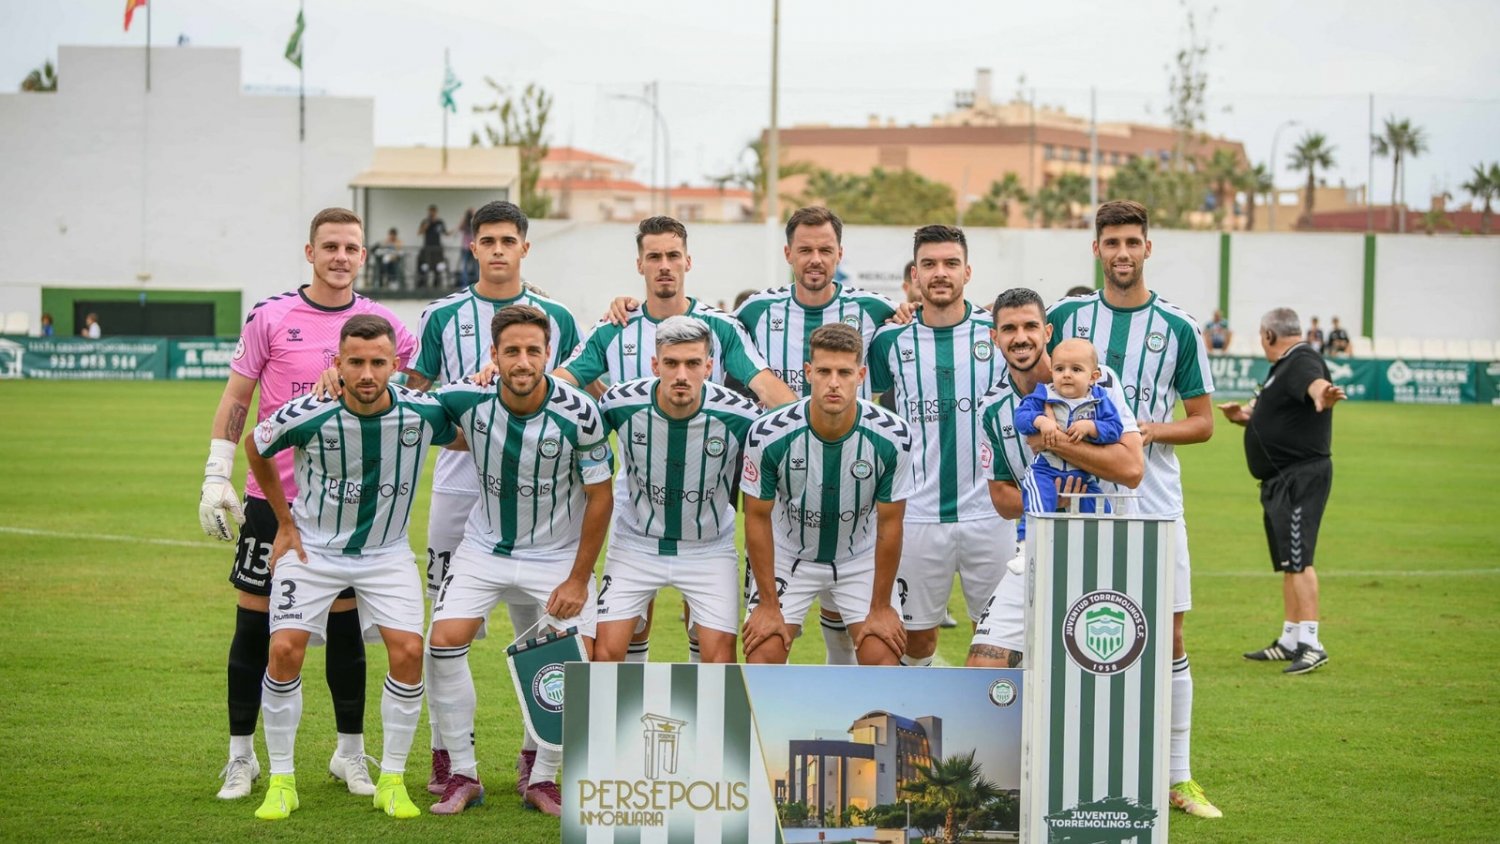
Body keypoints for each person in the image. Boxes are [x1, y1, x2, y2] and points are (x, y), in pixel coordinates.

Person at [197, 207, 418, 801]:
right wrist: (216, 472)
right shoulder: (271, 316)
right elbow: (237, 397)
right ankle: (241, 757)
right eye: (330, 246)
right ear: (309, 251)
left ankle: (350, 753)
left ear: (364, 255)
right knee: (256, 626)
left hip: (349, 508)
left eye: (351, 247)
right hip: (275, 502)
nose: (340, 256)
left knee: (345, 633)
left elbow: (421, 391)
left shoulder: (383, 325)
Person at [1047, 199, 1220, 819]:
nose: (1122, 253)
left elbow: (1202, 424)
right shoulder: (1066, 315)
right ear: (1096, 249)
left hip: (1154, 497)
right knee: (1066, 623)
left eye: (1132, 242)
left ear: (1148, 248)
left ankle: (1179, 776)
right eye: (1111, 242)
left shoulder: (1178, 326)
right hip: (1077, 491)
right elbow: (1021, 365)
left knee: (1167, 629)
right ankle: (1060, 765)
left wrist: (1148, 431)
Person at [243, 315, 454, 821]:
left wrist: (488, 372)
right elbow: (256, 444)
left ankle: (392, 781)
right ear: (335, 363)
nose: (365, 373)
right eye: (354, 362)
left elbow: (473, 424)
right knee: (284, 649)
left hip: (386, 554)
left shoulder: (423, 412)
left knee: (408, 650)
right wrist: (284, 522)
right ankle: (281, 781)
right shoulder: (311, 411)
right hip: (313, 551)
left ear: (395, 365)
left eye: (377, 362)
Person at [560, 216, 796, 664]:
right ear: (640, 264)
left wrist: (813, 426)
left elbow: (767, 389)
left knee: (707, 638)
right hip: (636, 505)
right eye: (654, 257)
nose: (664, 266)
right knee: (627, 634)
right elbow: (561, 387)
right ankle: (629, 725)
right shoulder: (614, 326)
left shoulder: (721, 327)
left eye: (672, 256)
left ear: (688, 261)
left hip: (707, 498)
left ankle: (694, 725)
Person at [404, 200, 579, 798]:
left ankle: (539, 757)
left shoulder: (556, 315)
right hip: (461, 483)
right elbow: (414, 391)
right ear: (472, 247)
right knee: (446, 627)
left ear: (525, 247)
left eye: (509, 239)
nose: (499, 249)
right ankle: (447, 755)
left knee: (542, 627)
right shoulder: (442, 314)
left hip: (542, 487)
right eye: (488, 240)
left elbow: (582, 386)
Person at [425, 304, 613, 818]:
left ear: (548, 354)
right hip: (484, 549)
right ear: (494, 355)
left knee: (576, 660)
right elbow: (402, 403)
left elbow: (601, 497)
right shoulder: (466, 398)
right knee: (442, 643)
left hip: (554, 555)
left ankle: (543, 776)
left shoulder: (580, 413)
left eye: (533, 350)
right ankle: (463, 773)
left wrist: (578, 578)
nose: (523, 360)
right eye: (512, 351)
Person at [734, 206, 898, 663]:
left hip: (854, 490)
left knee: (877, 649)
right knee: (762, 646)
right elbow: (709, 334)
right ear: (788, 253)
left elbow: (911, 333)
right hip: (782, 484)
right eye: (804, 249)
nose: (815, 259)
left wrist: (909, 309)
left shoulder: (875, 309)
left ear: (839, 254)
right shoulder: (756, 310)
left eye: (825, 250)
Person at [968, 287, 1143, 665]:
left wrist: (1058, 442)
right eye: (1009, 328)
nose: (1021, 337)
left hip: (1100, 547)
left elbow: (1132, 470)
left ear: (1047, 333)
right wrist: (1055, 500)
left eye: (1031, 326)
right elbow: (1000, 498)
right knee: (985, 664)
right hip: (1034, 548)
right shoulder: (991, 408)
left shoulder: (1101, 383)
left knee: (1087, 670)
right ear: (994, 337)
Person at [868, 224, 1010, 668]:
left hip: (991, 513)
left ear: (967, 271)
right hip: (918, 514)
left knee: (997, 639)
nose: (940, 273)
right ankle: (918, 726)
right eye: (929, 264)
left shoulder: (998, 333)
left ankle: (1001, 734)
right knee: (916, 641)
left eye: (950, 263)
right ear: (915, 274)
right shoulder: (889, 341)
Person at [740, 323, 912, 666]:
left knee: (883, 655)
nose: (834, 382)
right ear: (808, 373)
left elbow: (890, 525)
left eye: (845, 372)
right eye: (824, 371)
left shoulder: (894, 436)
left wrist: (881, 607)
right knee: (763, 652)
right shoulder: (768, 433)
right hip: (789, 555)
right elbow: (756, 518)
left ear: (861, 374)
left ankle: (862, 718)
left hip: (858, 556)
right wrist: (768, 606)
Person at [594, 317, 760, 663]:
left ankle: (704, 718)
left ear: (709, 366)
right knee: (605, 655)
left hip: (708, 548)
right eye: (671, 363)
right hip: (636, 543)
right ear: (656, 365)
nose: (682, 374)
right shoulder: (618, 404)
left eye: (693, 364)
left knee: (720, 662)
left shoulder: (739, 414)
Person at [1219, 307, 1344, 675]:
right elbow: (1280, 415)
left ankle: (1311, 642)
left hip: (1299, 477)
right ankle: (1290, 638)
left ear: (1269, 336)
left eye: (1261, 336)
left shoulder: (1302, 359)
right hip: (1281, 479)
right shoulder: (1283, 369)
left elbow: (1315, 384)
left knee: (1300, 558)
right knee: (1289, 560)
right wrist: (1244, 416)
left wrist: (1324, 393)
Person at [1013, 337, 1125, 522]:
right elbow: (1021, 417)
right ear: (1052, 372)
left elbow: (1115, 428)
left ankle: (1104, 545)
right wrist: (1040, 421)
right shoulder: (1044, 394)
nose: (1066, 374)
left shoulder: (1098, 401)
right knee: (1037, 504)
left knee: (1101, 511)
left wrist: (1092, 427)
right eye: (1059, 369)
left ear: (1093, 377)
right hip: (1046, 470)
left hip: (1082, 474)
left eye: (1076, 369)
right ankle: (1027, 540)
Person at [417, 205, 448, 287]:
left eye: (433, 211)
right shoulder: (425, 221)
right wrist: (426, 225)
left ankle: (436, 284)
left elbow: (445, 233)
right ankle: (423, 284)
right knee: (425, 266)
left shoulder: (440, 222)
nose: (432, 213)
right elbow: (420, 232)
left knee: (437, 267)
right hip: (427, 247)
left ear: (436, 212)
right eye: (430, 211)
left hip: (437, 248)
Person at [457, 208, 478, 287]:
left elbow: (459, 228)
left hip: (469, 246)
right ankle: (466, 284)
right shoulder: (470, 222)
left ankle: (468, 284)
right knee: (467, 267)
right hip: (467, 247)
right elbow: (460, 228)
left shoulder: (474, 222)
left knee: (471, 266)